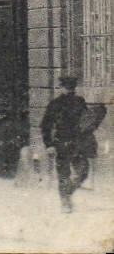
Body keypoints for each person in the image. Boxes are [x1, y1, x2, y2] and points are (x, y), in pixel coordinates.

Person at [41, 74, 102, 213]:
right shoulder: (55, 104)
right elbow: (46, 125)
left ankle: (67, 193)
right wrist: (49, 144)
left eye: (72, 88)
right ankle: (65, 202)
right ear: (61, 87)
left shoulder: (80, 101)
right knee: (63, 173)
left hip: (78, 142)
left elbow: (87, 120)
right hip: (61, 142)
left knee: (83, 171)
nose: (70, 90)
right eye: (67, 87)